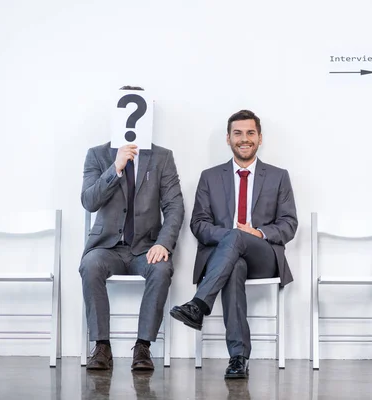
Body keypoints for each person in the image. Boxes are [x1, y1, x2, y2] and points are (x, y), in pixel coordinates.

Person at [170, 109, 298, 379]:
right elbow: (199, 224)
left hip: (264, 257)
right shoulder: (209, 177)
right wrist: (232, 237)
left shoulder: (278, 176)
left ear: (260, 138)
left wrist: (257, 233)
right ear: (228, 139)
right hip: (225, 260)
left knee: (239, 238)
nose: (244, 138)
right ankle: (238, 358)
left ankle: (198, 305)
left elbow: (289, 224)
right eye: (237, 133)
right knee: (234, 264)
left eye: (250, 133)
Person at [80, 86, 184, 371]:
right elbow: (89, 201)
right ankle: (101, 346)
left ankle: (143, 347)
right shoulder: (97, 155)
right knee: (89, 264)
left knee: (162, 268)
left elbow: (174, 206)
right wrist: (115, 168)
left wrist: (163, 243)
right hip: (107, 248)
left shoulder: (162, 158)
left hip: (145, 249)